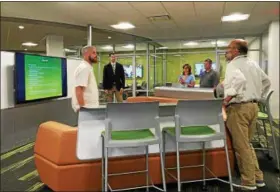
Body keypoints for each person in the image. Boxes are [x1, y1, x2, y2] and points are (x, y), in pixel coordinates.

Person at [223, 39, 271, 190]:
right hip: (253, 107)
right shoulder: (253, 63)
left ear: (236, 50)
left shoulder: (233, 65)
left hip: (239, 109)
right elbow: (267, 81)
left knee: (241, 146)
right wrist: (257, 95)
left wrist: (226, 100)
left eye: (229, 48)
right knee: (247, 145)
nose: (227, 50)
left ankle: (248, 182)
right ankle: (258, 177)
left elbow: (239, 80)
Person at [72, 46, 99, 112]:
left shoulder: (88, 67)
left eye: (96, 53)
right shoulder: (84, 68)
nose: (96, 55)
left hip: (91, 107)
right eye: (93, 53)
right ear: (86, 54)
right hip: (87, 109)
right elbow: (79, 90)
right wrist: (84, 110)